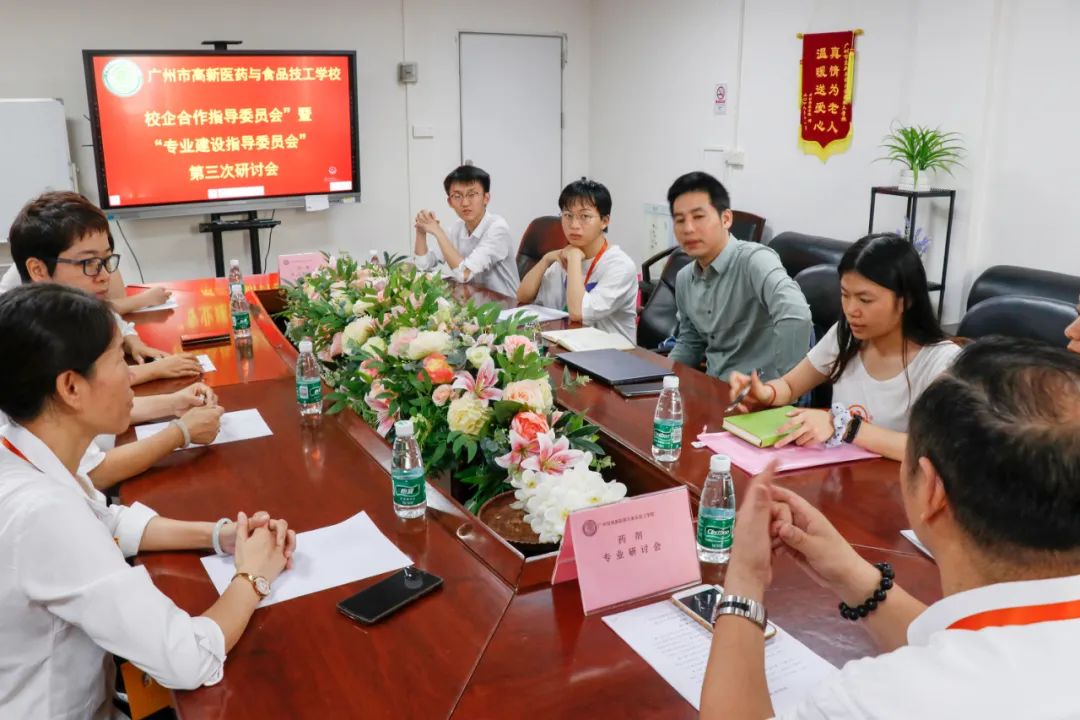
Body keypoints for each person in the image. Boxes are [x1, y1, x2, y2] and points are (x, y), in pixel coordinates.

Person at [701, 337, 1080, 719]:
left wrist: (744, 579)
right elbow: (969, 645)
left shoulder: (880, 699)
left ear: (931, 490)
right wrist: (850, 574)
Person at [0, 283, 297, 719]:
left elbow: (106, 522)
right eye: (118, 361)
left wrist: (223, 536)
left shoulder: (19, 449)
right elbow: (186, 658)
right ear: (71, 387)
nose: (131, 377)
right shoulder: (41, 513)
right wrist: (253, 576)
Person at [729, 233, 959, 461]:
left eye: (865, 300)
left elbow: (934, 450)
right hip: (841, 475)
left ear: (904, 301)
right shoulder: (846, 336)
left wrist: (844, 426)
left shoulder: (941, 362)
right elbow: (790, 386)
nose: (851, 310)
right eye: (845, 295)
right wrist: (765, 393)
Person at [7, 191, 202, 380]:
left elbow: (114, 319)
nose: (105, 276)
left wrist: (133, 343)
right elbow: (91, 386)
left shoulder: (79, 309)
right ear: (38, 270)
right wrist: (155, 370)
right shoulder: (29, 334)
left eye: (106, 259)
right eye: (87, 262)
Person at [667, 172, 811, 380]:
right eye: (680, 220)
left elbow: (796, 314)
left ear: (726, 219)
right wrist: (662, 378)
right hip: (714, 387)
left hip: (759, 392)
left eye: (698, 217)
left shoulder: (755, 260)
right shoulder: (684, 278)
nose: (688, 229)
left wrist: (786, 387)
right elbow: (690, 343)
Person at [517, 178, 638, 342]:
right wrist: (546, 259)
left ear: (604, 221)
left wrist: (574, 259)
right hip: (569, 342)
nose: (574, 225)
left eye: (584, 216)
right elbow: (523, 296)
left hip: (611, 351)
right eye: (568, 215)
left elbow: (578, 313)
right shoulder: (564, 256)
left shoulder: (620, 266)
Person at [413, 164, 520, 298]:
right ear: (450, 202)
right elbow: (422, 266)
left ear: (486, 198)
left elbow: (464, 274)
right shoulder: (458, 228)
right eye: (457, 196)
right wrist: (421, 230)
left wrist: (438, 232)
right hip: (475, 302)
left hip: (506, 306)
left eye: (472, 194)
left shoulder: (498, 228)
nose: (465, 203)